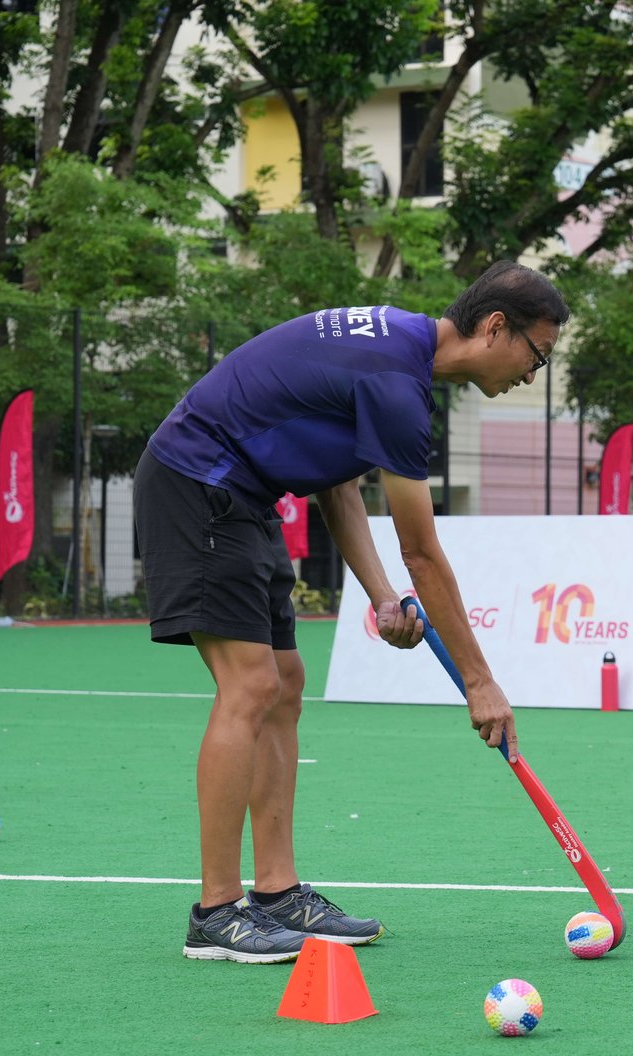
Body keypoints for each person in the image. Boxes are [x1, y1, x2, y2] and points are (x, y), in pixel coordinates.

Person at [137, 261, 568, 963]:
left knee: (284, 683)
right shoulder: (399, 381)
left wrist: (380, 595)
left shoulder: (395, 353)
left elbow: (337, 485)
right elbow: (423, 551)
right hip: (199, 480)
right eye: (536, 353)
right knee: (248, 684)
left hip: (243, 495)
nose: (533, 371)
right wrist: (480, 680)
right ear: (496, 327)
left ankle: (277, 892)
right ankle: (215, 912)